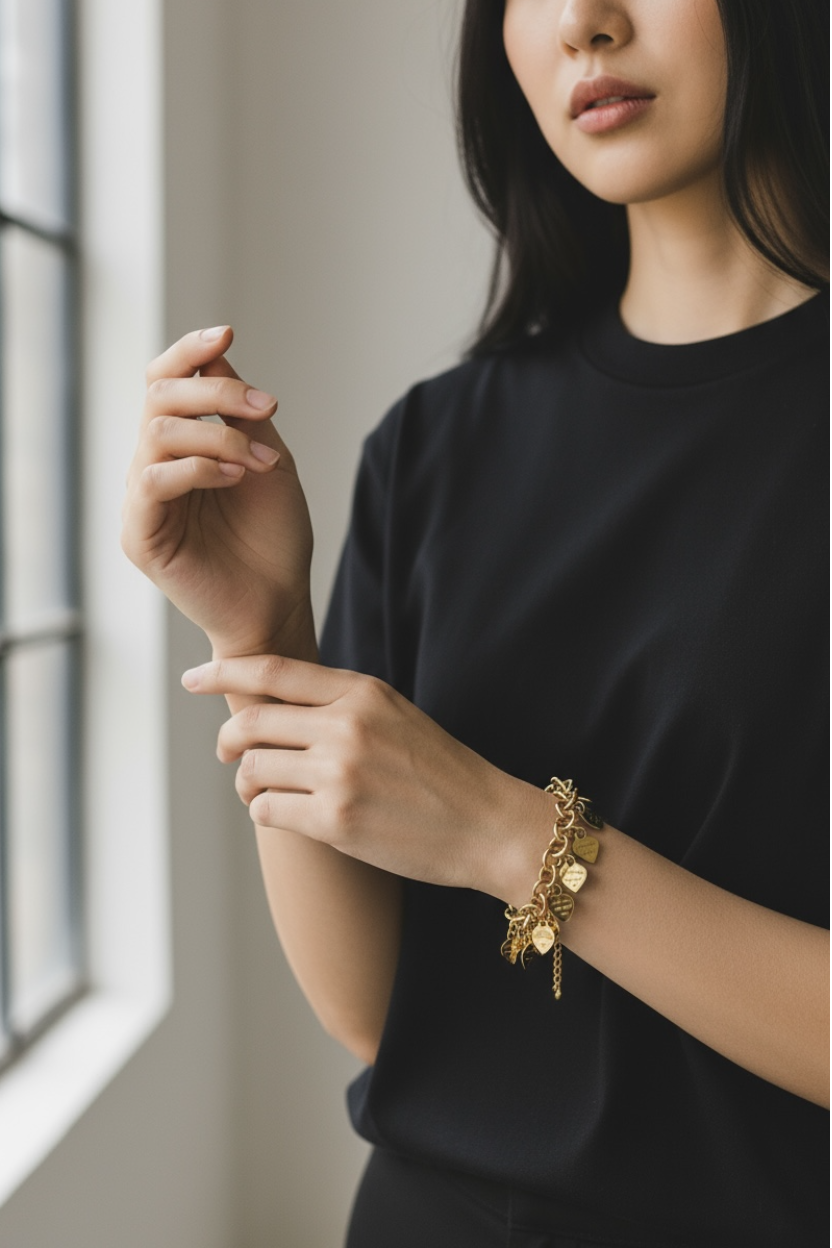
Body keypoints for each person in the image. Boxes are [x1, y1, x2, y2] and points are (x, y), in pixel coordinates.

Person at [122, 1, 830, 1244]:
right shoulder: (434, 445)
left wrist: (512, 838)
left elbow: (491, 844)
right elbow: (385, 1016)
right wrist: (263, 635)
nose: (582, 23)